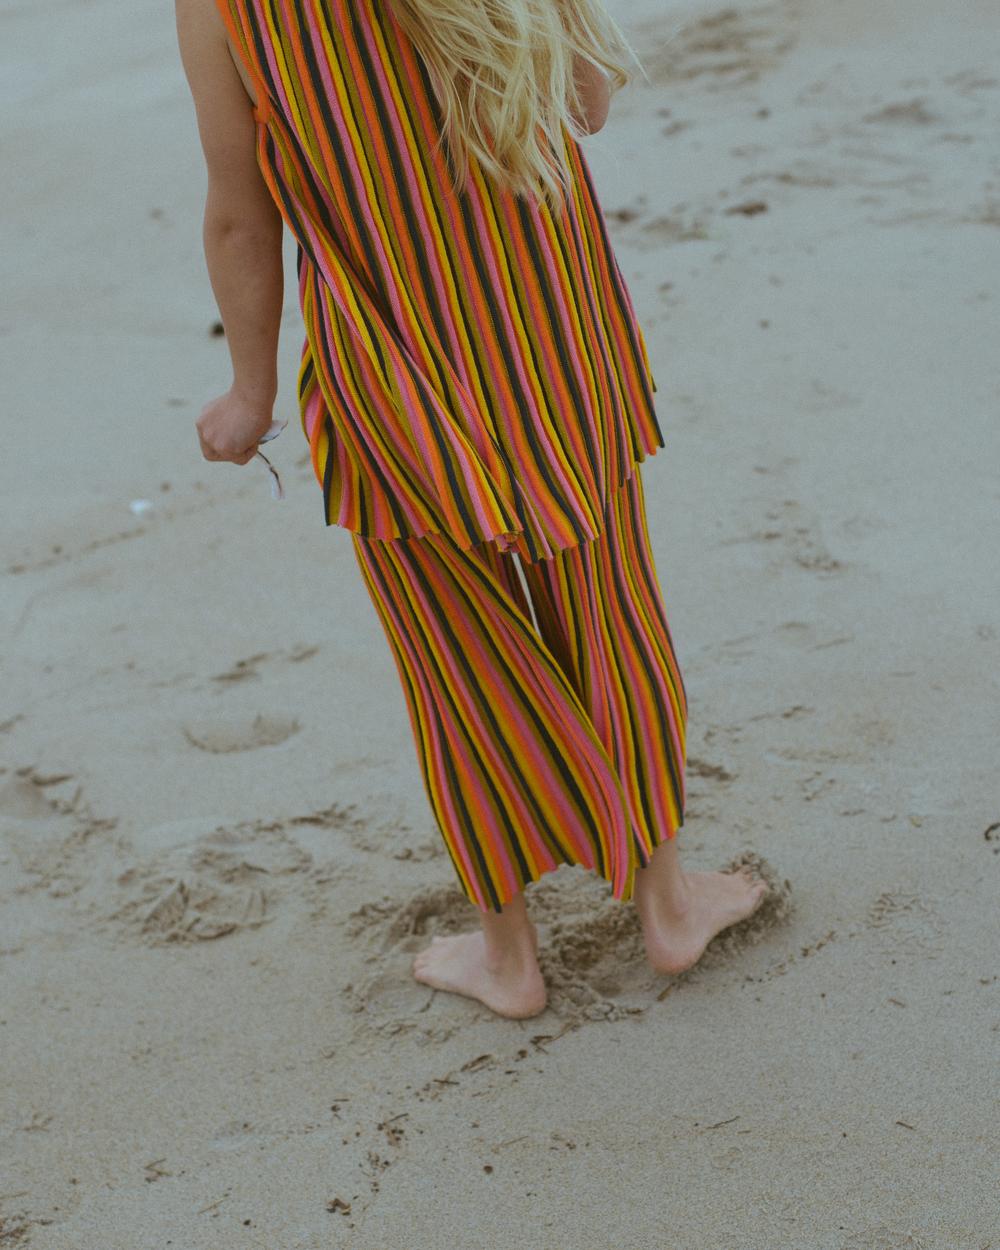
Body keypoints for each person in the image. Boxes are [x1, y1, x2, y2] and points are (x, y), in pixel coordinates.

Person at [175, 0, 766, 1020]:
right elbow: (588, 102)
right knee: (610, 603)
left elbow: (240, 208)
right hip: (551, 337)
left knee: (453, 655)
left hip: (387, 374)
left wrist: (252, 391)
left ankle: (506, 953)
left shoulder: (221, 7)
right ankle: (666, 901)